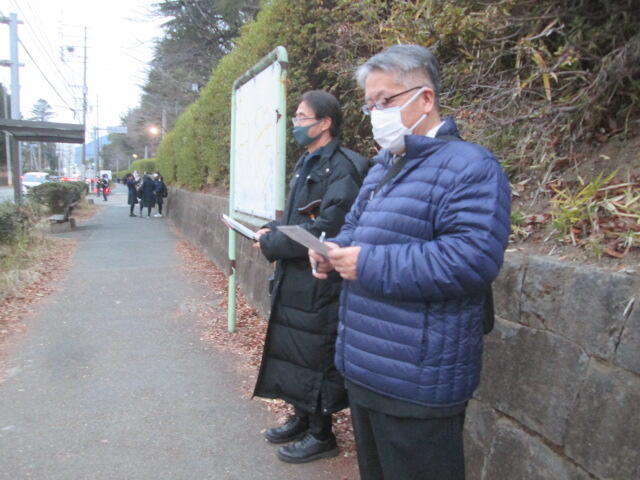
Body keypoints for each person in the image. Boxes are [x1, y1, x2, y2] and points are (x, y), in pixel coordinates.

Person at [309, 45, 511, 479]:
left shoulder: (471, 166)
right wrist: (331, 251)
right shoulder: (384, 165)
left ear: (425, 98)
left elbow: (471, 260)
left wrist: (366, 264)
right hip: (365, 365)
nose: (375, 114)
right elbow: (356, 229)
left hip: (420, 379)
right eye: (369, 105)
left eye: (385, 100)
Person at [252, 90, 369, 464]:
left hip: (321, 281)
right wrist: (272, 229)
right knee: (294, 350)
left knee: (317, 354)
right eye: (296, 118)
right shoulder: (307, 162)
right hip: (294, 277)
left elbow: (328, 228)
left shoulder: (344, 167)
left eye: (302, 118)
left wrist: (273, 243)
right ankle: (301, 418)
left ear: (325, 122)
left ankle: (322, 434)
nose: (296, 125)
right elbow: (297, 219)